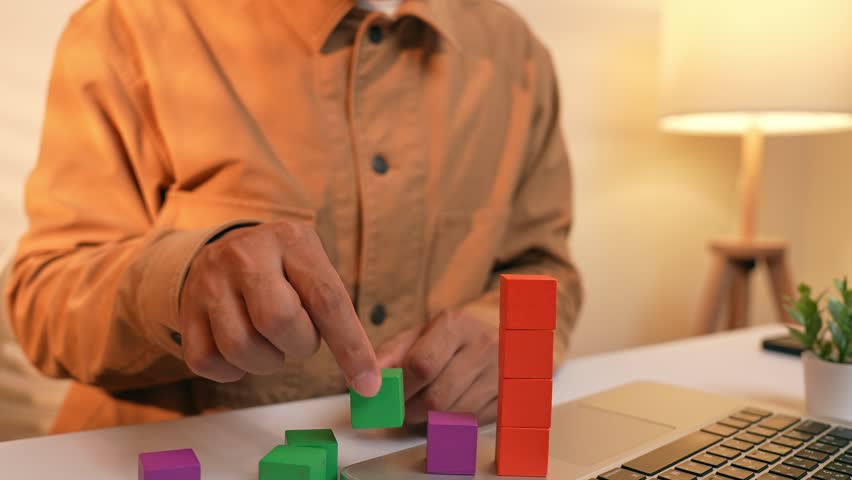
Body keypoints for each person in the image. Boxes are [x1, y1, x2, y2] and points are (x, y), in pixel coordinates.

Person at [5, 0, 582, 433]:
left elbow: (543, 264)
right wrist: (179, 282)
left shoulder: (518, 54)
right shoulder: (129, 25)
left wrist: (507, 333)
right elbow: (42, 300)